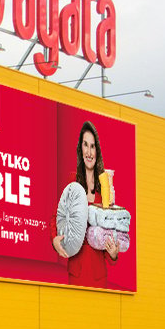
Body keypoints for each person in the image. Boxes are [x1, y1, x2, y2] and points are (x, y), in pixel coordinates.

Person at [52, 120, 118, 287]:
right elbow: (57, 216)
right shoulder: (72, 181)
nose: (89, 151)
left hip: (98, 275)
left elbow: (111, 230)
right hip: (76, 272)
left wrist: (113, 254)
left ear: (97, 151)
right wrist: (54, 239)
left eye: (93, 146)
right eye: (85, 145)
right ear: (80, 150)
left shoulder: (105, 188)